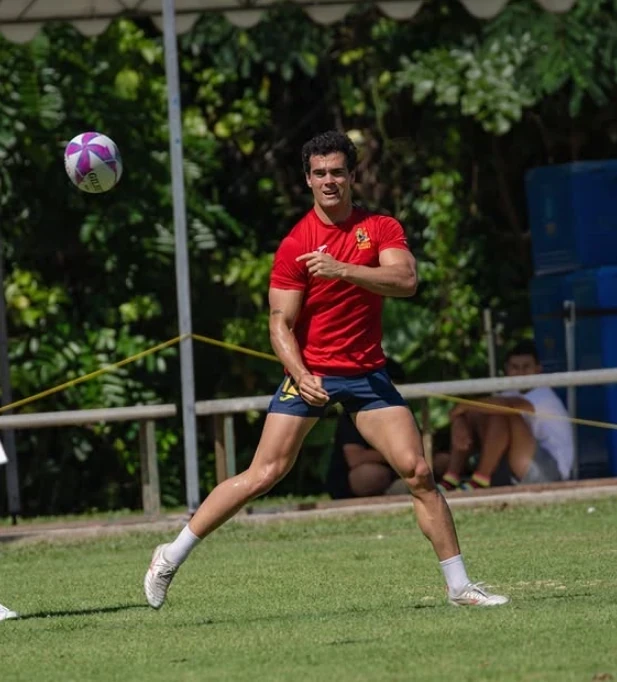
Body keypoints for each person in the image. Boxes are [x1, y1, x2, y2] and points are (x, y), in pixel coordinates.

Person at [144, 130, 509, 609]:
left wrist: (344, 270)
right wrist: (299, 374)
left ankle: (459, 587)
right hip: (312, 371)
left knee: (418, 471)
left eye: (337, 171)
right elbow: (279, 323)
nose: (329, 180)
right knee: (265, 472)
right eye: (319, 173)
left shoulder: (379, 227)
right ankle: (170, 556)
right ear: (308, 180)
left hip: (367, 374)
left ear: (353, 175)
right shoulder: (296, 243)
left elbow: (405, 280)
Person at [439, 340, 574, 491]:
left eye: (526, 367)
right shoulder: (510, 392)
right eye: (515, 367)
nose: (521, 372)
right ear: (507, 369)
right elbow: (479, 410)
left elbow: (508, 406)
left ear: (538, 369)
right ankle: (450, 478)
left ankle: (480, 480)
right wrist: (460, 420)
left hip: (550, 472)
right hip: (517, 466)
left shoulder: (543, 394)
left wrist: (462, 406)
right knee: (484, 413)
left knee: (502, 411)